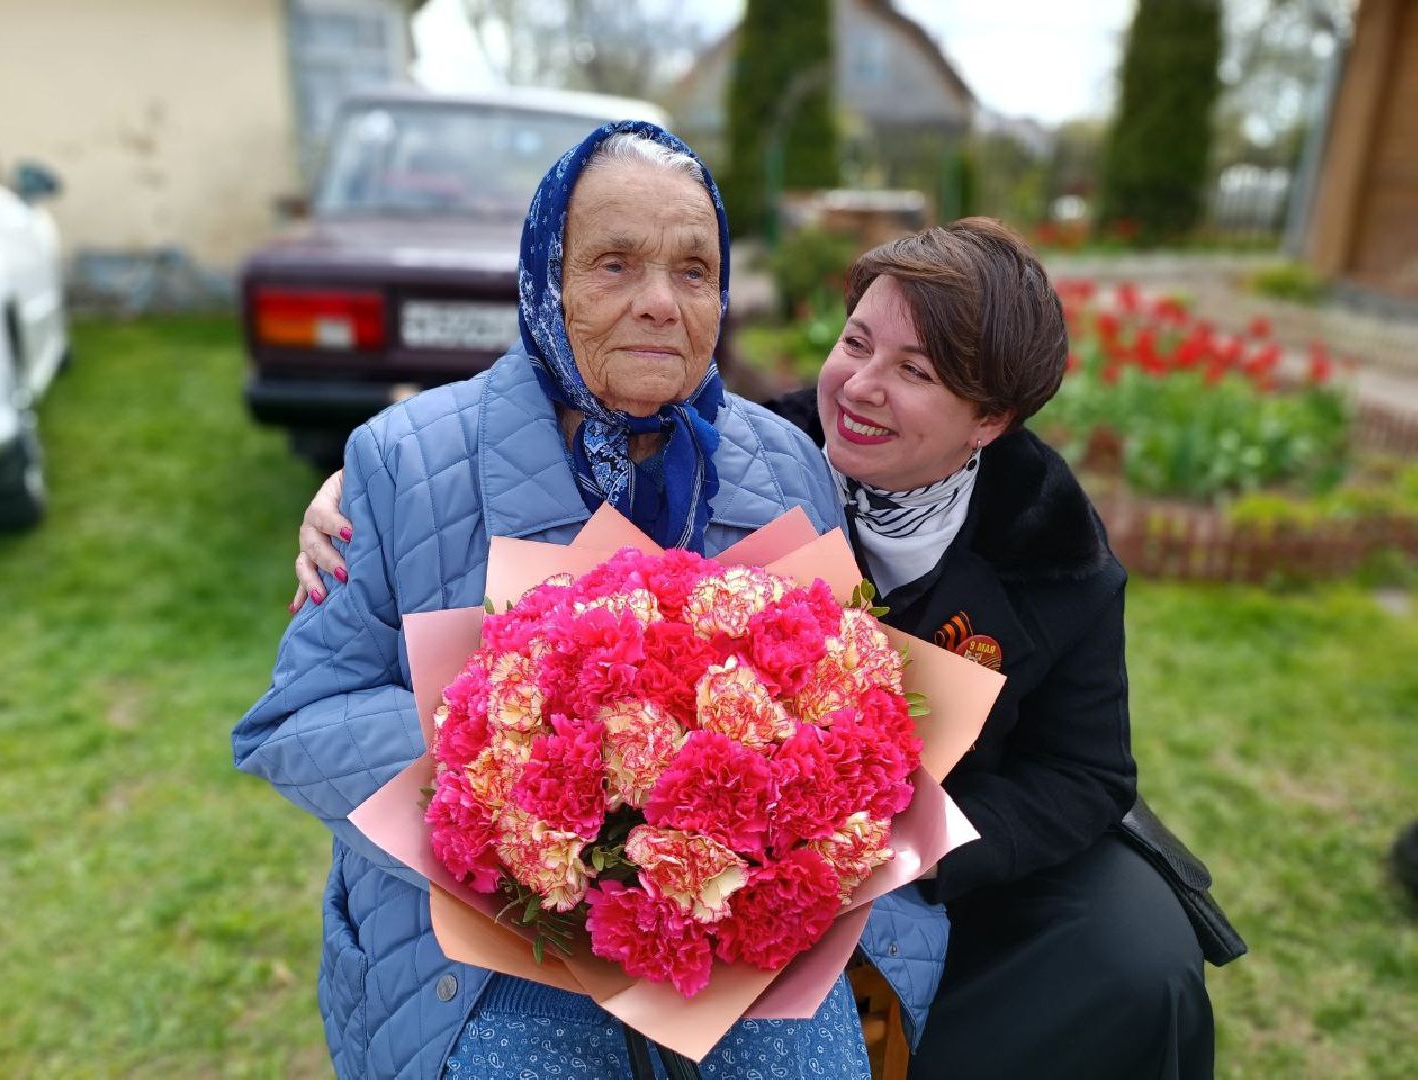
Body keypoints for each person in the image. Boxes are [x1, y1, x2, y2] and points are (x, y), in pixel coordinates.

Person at [294, 218, 1233, 1078]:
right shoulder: (745, 450)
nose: (860, 388)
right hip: (721, 871)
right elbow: (557, 465)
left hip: (943, 859)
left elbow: (1087, 771)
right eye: (855, 342)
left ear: (991, 421)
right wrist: (357, 489)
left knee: (1138, 964)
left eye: (917, 373)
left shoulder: (1054, 555)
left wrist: (913, 848)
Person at [236, 121, 929, 1080]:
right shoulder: (405, 460)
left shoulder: (785, 464)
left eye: (694, 271)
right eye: (614, 264)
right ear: (546, 280)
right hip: (491, 934)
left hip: (736, 930)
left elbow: (840, 703)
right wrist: (513, 794)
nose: (660, 303)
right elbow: (298, 717)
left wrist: (756, 824)